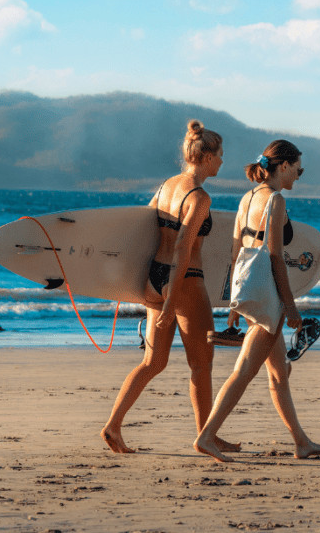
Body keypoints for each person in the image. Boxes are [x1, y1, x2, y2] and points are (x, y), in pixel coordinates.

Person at [101, 120, 237, 454]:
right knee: (201, 364)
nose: (222, 161)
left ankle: (113, 426)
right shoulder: (199, 196)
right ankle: (206, 437)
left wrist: (135, 282)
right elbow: (182, 249)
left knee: (153, 362)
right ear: (205, 157)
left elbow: (142, 228)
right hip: (185, 282)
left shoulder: (165, 187)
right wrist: (173, 296)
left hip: (154, 277)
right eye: (219, 155)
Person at [193, 139, 320, 462]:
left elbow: (235, 251)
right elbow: (275, 257)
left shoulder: (248, 198)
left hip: (248, 286)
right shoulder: (276, 201)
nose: (299, 175)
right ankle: (206, 436)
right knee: (244, 370)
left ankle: (301, 442)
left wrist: (233, 303)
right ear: (283, 166)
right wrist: (290, 305)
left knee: (279, 373)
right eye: (298, 169)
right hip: (268, 292)